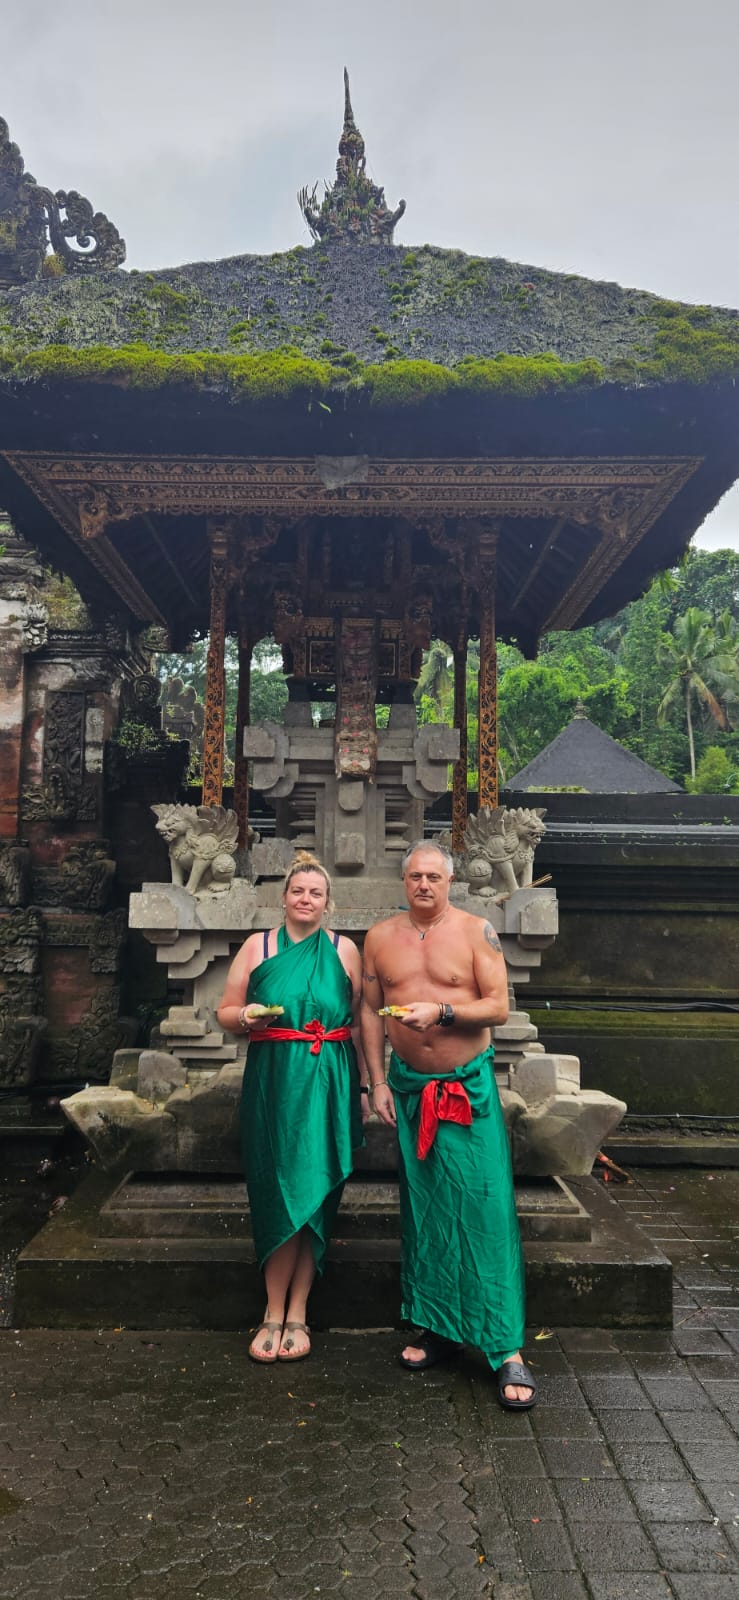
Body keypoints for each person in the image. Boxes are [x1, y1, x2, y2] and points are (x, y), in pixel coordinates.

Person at [360, 840, 536, 1409]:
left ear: (450, 880)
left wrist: (443, 1011)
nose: (424, 885)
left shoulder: (475, 931)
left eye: (433, 877)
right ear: (404, 880)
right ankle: (439, 1326)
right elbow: (369, 1011)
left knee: (484, 1208)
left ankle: (505, 1346)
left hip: (466, 1090)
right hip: (411, 1090)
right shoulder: (380, 938)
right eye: (415, 876)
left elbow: (498, 1006)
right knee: (428, 1207)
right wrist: (377, 1081)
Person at [217, 851, 369, 1363]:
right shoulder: (257, 946)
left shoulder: (345, 950)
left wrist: (366, 1087)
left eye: (315, 893)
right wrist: (247, 1016)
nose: (306, 899)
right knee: (276, 1189)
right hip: (274, 1081)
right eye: (298, 891)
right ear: (283, 897)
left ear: (328, 903)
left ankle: (298, 1309)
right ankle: (271, 1309)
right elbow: (225, 1011)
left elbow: (360, 1019)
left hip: (329, 1079)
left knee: (317, 1190)